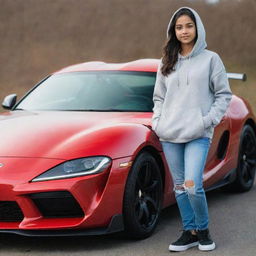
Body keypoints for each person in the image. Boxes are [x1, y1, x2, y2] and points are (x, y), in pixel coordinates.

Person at [152, 7, 232, 252]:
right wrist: (158, 122)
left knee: (192, 185)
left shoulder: (211, 59)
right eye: (179, 27)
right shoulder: (167, 61)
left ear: (197, 28)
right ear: (173, 31)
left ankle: (204, 230)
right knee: (178, 187)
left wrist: (207, 121)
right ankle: (189, 232)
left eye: (188, 26)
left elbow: (223, 95)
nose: (184, 31)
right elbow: (158, 97)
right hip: (170, 133)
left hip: (198, 133)